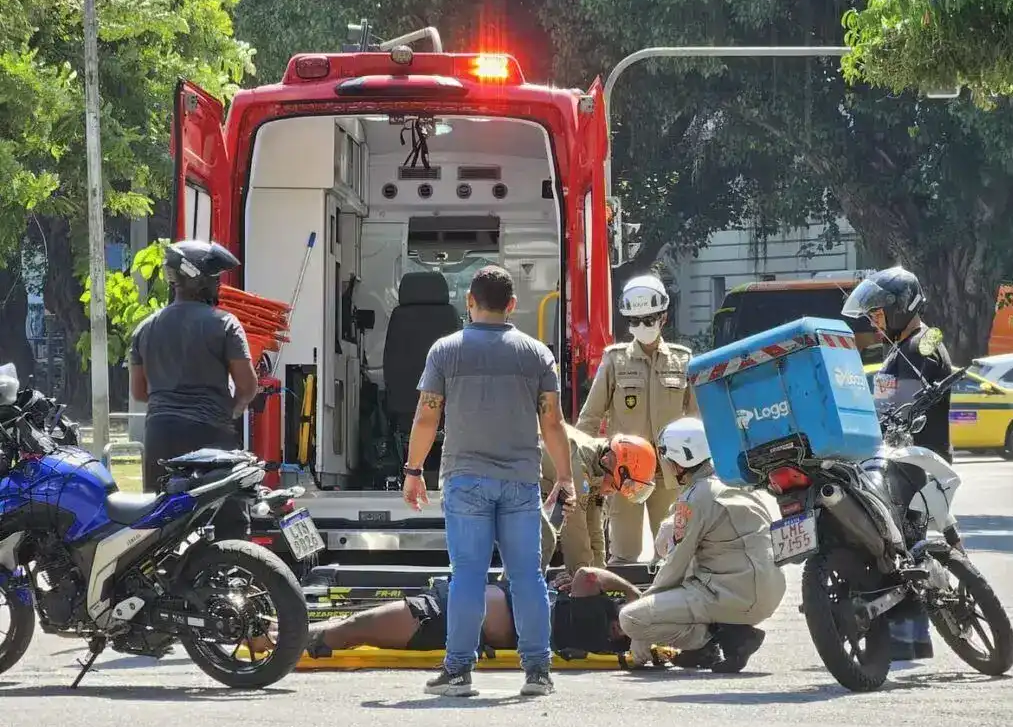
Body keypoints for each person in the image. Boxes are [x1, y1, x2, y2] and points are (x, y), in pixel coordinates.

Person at [402, 264, 575, 698]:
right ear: (513, 305)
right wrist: (566, 476)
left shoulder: (445, 350)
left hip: (465, 479)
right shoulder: (536, 354)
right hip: (520, 481)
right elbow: (552, 423)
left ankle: (458, 671)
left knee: (467, 576)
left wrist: (413, 470)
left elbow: (428, 415)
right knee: (528, 577)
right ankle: (537, 672)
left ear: (469, 303)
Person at [841, 265, 954, 661]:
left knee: (902, 546)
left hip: (918, 463)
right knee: (891, 542)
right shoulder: (895, 350)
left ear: (902, 307)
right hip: (894, 459)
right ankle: (906, 636)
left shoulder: (923, 342)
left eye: (879, 311)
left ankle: (909, 638)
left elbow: (916, 391)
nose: (873, 319)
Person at [619, 417, 787, 673]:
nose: (666, 463)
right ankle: (721, 637)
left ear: (681, 458)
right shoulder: (734, 481)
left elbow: (675, 564)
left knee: (630, 618)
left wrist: (642, 623)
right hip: (768, 590)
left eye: (668, 457)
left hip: (732, 595)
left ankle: (715, 640)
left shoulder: (696, 497)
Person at [130, 240, 258, 537]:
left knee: (163, 527)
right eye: (215, 278)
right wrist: (232, 410)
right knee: (229, 522)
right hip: (211, 438)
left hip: (160, 438)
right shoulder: (225, 324)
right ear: (198, 278)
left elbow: (139, 392)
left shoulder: (145, 329)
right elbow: (248, 386)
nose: (218, 285)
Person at [249, 566, 640, 660]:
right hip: (453, 609)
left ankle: (272, 639)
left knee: (353, 628)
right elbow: (588, 576)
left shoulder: (595, 618)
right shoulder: (603, 632)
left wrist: (630, 591)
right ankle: (275, 630)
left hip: (447, 618)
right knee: (356, 624)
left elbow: (590, 573)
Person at [577, 274, 699, 564]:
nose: (642, 327)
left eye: (649, 319)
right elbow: (590, 418)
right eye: (635, 321)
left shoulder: (683, 361)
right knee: (624, 554)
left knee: (675, 554)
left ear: (663, 318)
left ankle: (671, 608)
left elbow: (696, 422)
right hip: (624, 474)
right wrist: (581, 467)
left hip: (671, 473)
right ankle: (622, 607)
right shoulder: (614, 361)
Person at [538, 427, 659, 572]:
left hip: (535, 490)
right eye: (618, 485)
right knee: (544, 540)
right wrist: (581, 575)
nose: (614, 491)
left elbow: (594, 527)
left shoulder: (598, 470)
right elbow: (575, 531)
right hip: (516, 484)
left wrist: (600, 573)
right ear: (618, 467)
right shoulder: (578, 465)